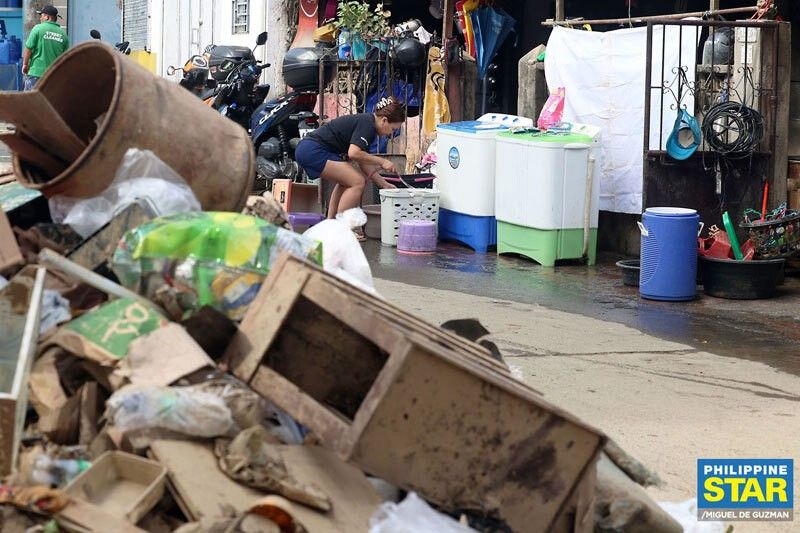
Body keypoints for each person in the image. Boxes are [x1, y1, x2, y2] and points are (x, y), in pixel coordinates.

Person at [296, 97, 405, 233]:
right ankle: (342, 230)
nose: (391, 133)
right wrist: (382, 161)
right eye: (393, 129)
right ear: (384, 120)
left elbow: (362, 161)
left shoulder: (367, 123)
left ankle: (331, 225)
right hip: (313, 150)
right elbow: (354, 153)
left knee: (346, 182)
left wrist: (383, 184)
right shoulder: (367, 125)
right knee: (358, 181)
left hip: (309, 149)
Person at [22, 5, 69, 91]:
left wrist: (25, 64)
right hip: (54, 77)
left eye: (41, 16)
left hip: (36, 74)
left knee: (30, 103)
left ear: (47, 17)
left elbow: (28, 48)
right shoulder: (63, 34)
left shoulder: (38, 29)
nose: (40, 18)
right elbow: (65, 58)